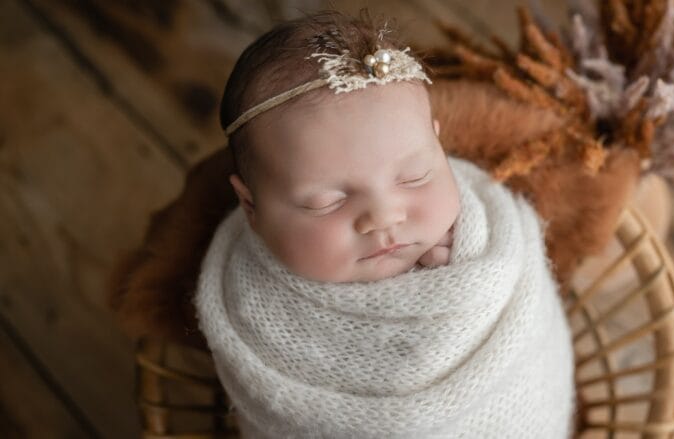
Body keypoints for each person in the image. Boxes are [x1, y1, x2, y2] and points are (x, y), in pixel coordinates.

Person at [195, 10, 574, 438]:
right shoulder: (251, 305)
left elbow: (528, 343)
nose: (384, 216)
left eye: (414, 177)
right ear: (250, 206)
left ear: (438, 145)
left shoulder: (490, 236)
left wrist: (451, 289)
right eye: (327, 202)